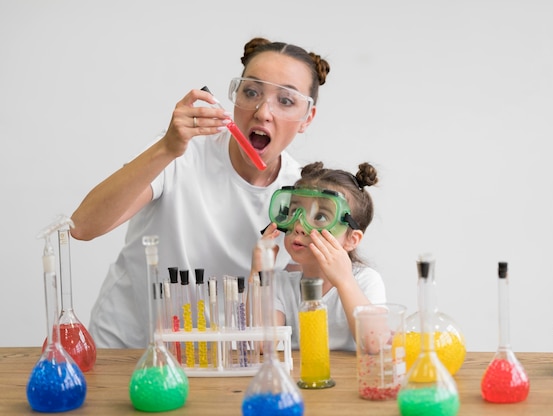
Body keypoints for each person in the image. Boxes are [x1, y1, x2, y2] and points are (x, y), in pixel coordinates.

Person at [70, 38, 331, 348]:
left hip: (222, 359)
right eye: (251, 92)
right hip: (130, 348)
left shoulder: (300, 195)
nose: (263, 112)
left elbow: (292, 298)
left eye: (285, 100)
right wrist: (166, 148)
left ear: (307, 118)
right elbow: (83, 227)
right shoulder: (181, 152)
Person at [251, 161, 386, 351]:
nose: (299, 226)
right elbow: (262, 345)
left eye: (321, 217)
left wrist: (345, 281)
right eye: (294, 212)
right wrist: (259, 275)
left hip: (349, 379)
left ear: (352, 239)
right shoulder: (279, 285)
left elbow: (374, 344)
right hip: (299, 377)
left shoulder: (365, 281)